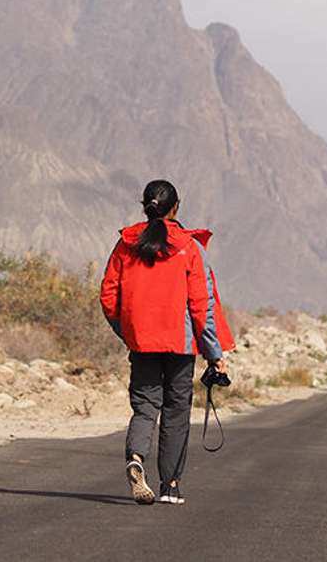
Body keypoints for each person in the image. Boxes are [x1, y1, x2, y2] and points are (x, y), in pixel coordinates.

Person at [99, 179, 235, 506]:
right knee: (175, 411)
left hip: (142, 344)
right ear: (176, 208)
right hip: (180, 346)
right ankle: (170, 485)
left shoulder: (126, 245)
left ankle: (135, 457)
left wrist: (129, 331)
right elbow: (202, 307)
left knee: (145, 407)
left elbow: (108, 296)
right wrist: (214, 354)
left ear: (146, 207)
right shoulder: (190, 248)